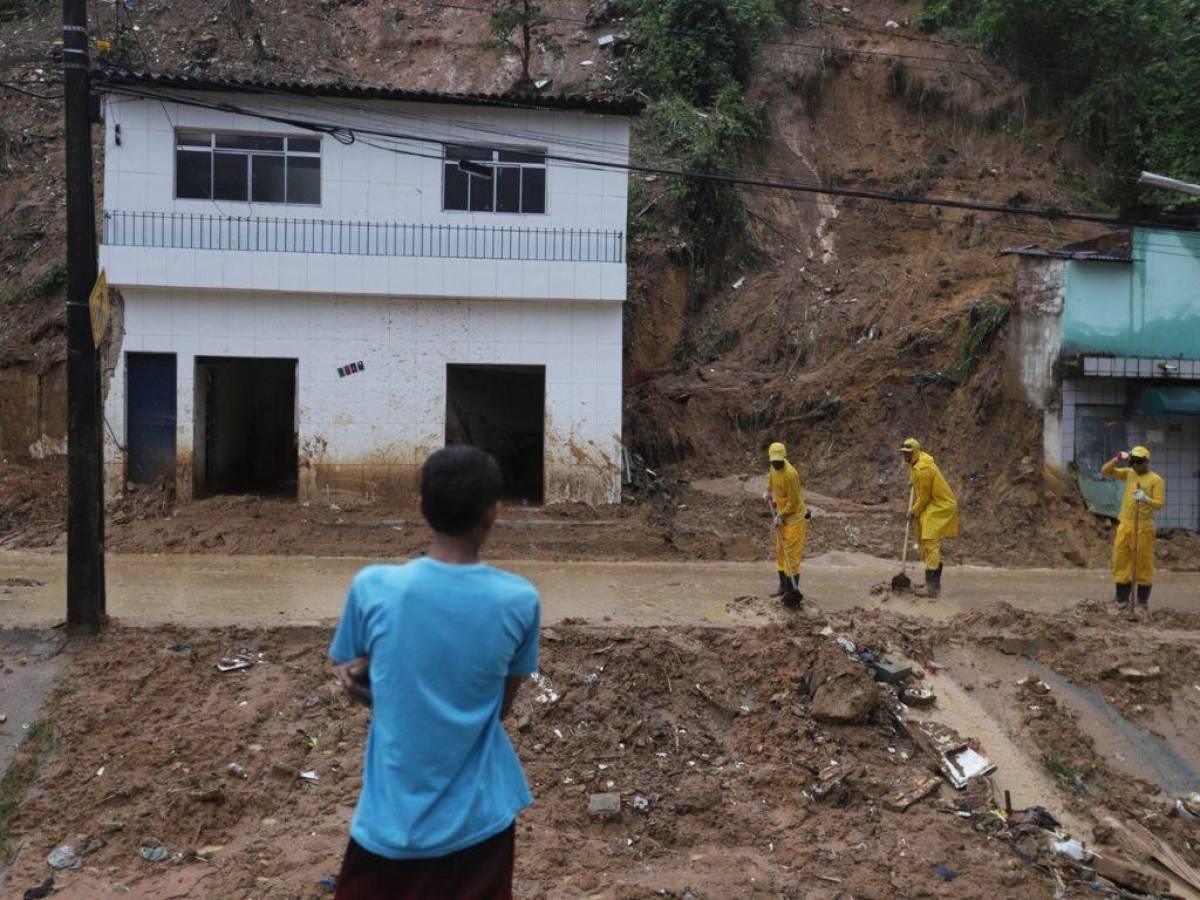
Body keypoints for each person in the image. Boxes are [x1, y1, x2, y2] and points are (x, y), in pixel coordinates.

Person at [329, 445, 540, 900]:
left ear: (422, 509)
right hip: (480, 822)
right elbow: (498, 708)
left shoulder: (373, 587)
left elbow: (356, 672)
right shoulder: (519, 601)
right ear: (492, 514)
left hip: (390, 821)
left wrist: (373, 687)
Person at [1100, 445, 1166, 614]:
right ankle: (1121, 599)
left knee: (1143, 562)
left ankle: (1142, 602)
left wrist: (1145, 498)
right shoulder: (1129, 474)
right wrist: (1117, 459)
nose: (1135, 465)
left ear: (1145, 462)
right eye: (1133, 461)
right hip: (1126, 523)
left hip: (1143, 526)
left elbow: (1160, 504)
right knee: (1121, 559)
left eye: (1138, 462)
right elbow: (1105, 471)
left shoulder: (1155, 480)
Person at [900, 437, 958, 597]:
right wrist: (913, 482)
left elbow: (924, 498)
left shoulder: (922, 468)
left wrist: (913, 511)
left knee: (929, 540)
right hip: (932, 504)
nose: (905, 456)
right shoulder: (916, 464)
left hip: (940, 505)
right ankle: (932, 584)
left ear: (915, 452)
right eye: (903, 453)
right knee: (923, 539)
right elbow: (920, 484)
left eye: (908, 453)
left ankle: (931, 588)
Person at [763, 441, 809, 607]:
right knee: (781, 551)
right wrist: (768, 491)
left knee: (791, 554)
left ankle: (791, 590)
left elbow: (795, 502)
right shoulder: (773, 467)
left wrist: (780, 515)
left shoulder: (791, 474)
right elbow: (771, 478)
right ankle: (783, 587)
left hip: (794, 518)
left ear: (784, 457)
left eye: (778, 461)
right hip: (782, 517)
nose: (776, 463)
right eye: (773, 461)